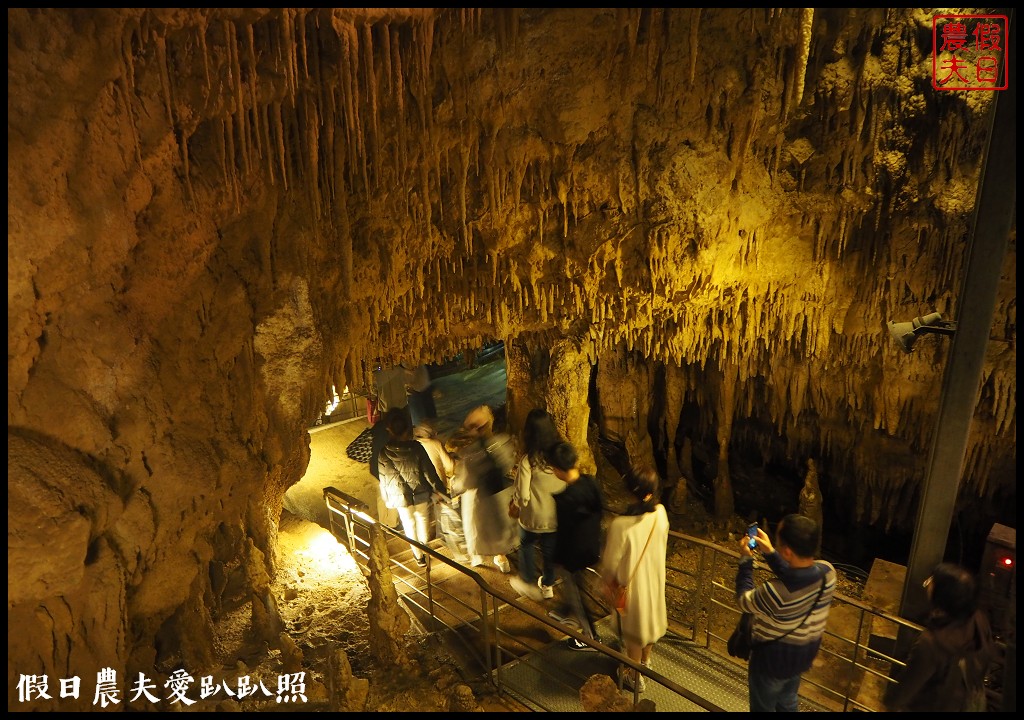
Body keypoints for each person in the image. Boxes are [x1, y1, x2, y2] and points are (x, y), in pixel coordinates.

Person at [736, 513, 837, 712]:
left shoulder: (775, 592)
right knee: (788, 701)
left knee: (763, 707)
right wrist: (771, 553)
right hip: (800, 658)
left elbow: (743, 601)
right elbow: (796, 576)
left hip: (770, 664)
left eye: (778, 538)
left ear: (788, 552)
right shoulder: (828, 573)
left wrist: (746, 561)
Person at [883, 563, 995, 712]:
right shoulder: (979, 620)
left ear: (942, 595)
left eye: (932, 581)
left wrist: (889, 701)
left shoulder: (931, 643)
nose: (928, 583)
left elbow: (905, 689)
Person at [600, 466, 670, 693]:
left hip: (633, 589)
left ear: (630, 491)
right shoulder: (660, 514)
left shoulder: (621, 525)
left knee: (633, 636)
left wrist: (605, 582)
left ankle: (635, 676)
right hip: (655, 581)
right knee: (649, 626)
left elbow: (610, 563)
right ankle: (646, 661)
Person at [548, 441, 604, 650]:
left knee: (577, 595)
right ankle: (564, 609)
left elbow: (563, 534)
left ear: (559, 470)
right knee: (575, 590)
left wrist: (556, 559)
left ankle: (590, 637)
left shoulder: (565, 499)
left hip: (574, 556)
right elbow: (600, 512)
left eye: (553, 468)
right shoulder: (591, 483)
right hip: (592, 546)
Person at [377, 408, 447, 566]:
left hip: (398, 496)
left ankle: (419, 557)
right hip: (420, 492)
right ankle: (424, 546)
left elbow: (383, 478)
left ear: (390, 429)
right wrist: (441, 490)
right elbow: (429, 472)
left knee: (409, 524)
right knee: (422, 519)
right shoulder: (416, 448)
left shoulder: (383, 452)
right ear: (407, 429)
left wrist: (387, 498)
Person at [452, 405, 518, 572]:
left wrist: (455, 485)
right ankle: (502, 560)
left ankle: (477, 557)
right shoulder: (502, 442)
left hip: (479, 499)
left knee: (477, 530)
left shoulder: (470, 454)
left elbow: (466, 482)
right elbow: (508, 464)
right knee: (501, 530)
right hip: (501, 492)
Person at [510, 409, 566, 599]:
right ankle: (548, 585)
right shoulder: (560, 454)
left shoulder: (528, 460)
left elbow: (523, 494)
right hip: (554, 517)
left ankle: (527, 580)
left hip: (532, 518)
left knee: (526, 545)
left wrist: (516, 504)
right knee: (550, 552)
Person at [414, 420, 468, 563]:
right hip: (437, 485)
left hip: (421, 488)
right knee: (441, 514)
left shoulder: (414, 445)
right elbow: (449, 465)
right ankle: (443, 538)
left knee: (422, 517)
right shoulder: (435, 444)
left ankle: (422, 545)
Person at [368, 412, 399, 529]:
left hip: (375, 469)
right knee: (393, 495)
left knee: (381, 497)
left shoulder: (377, 427)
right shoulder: (391, 433)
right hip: (388, 471)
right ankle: (392, 523)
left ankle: (382, 522)